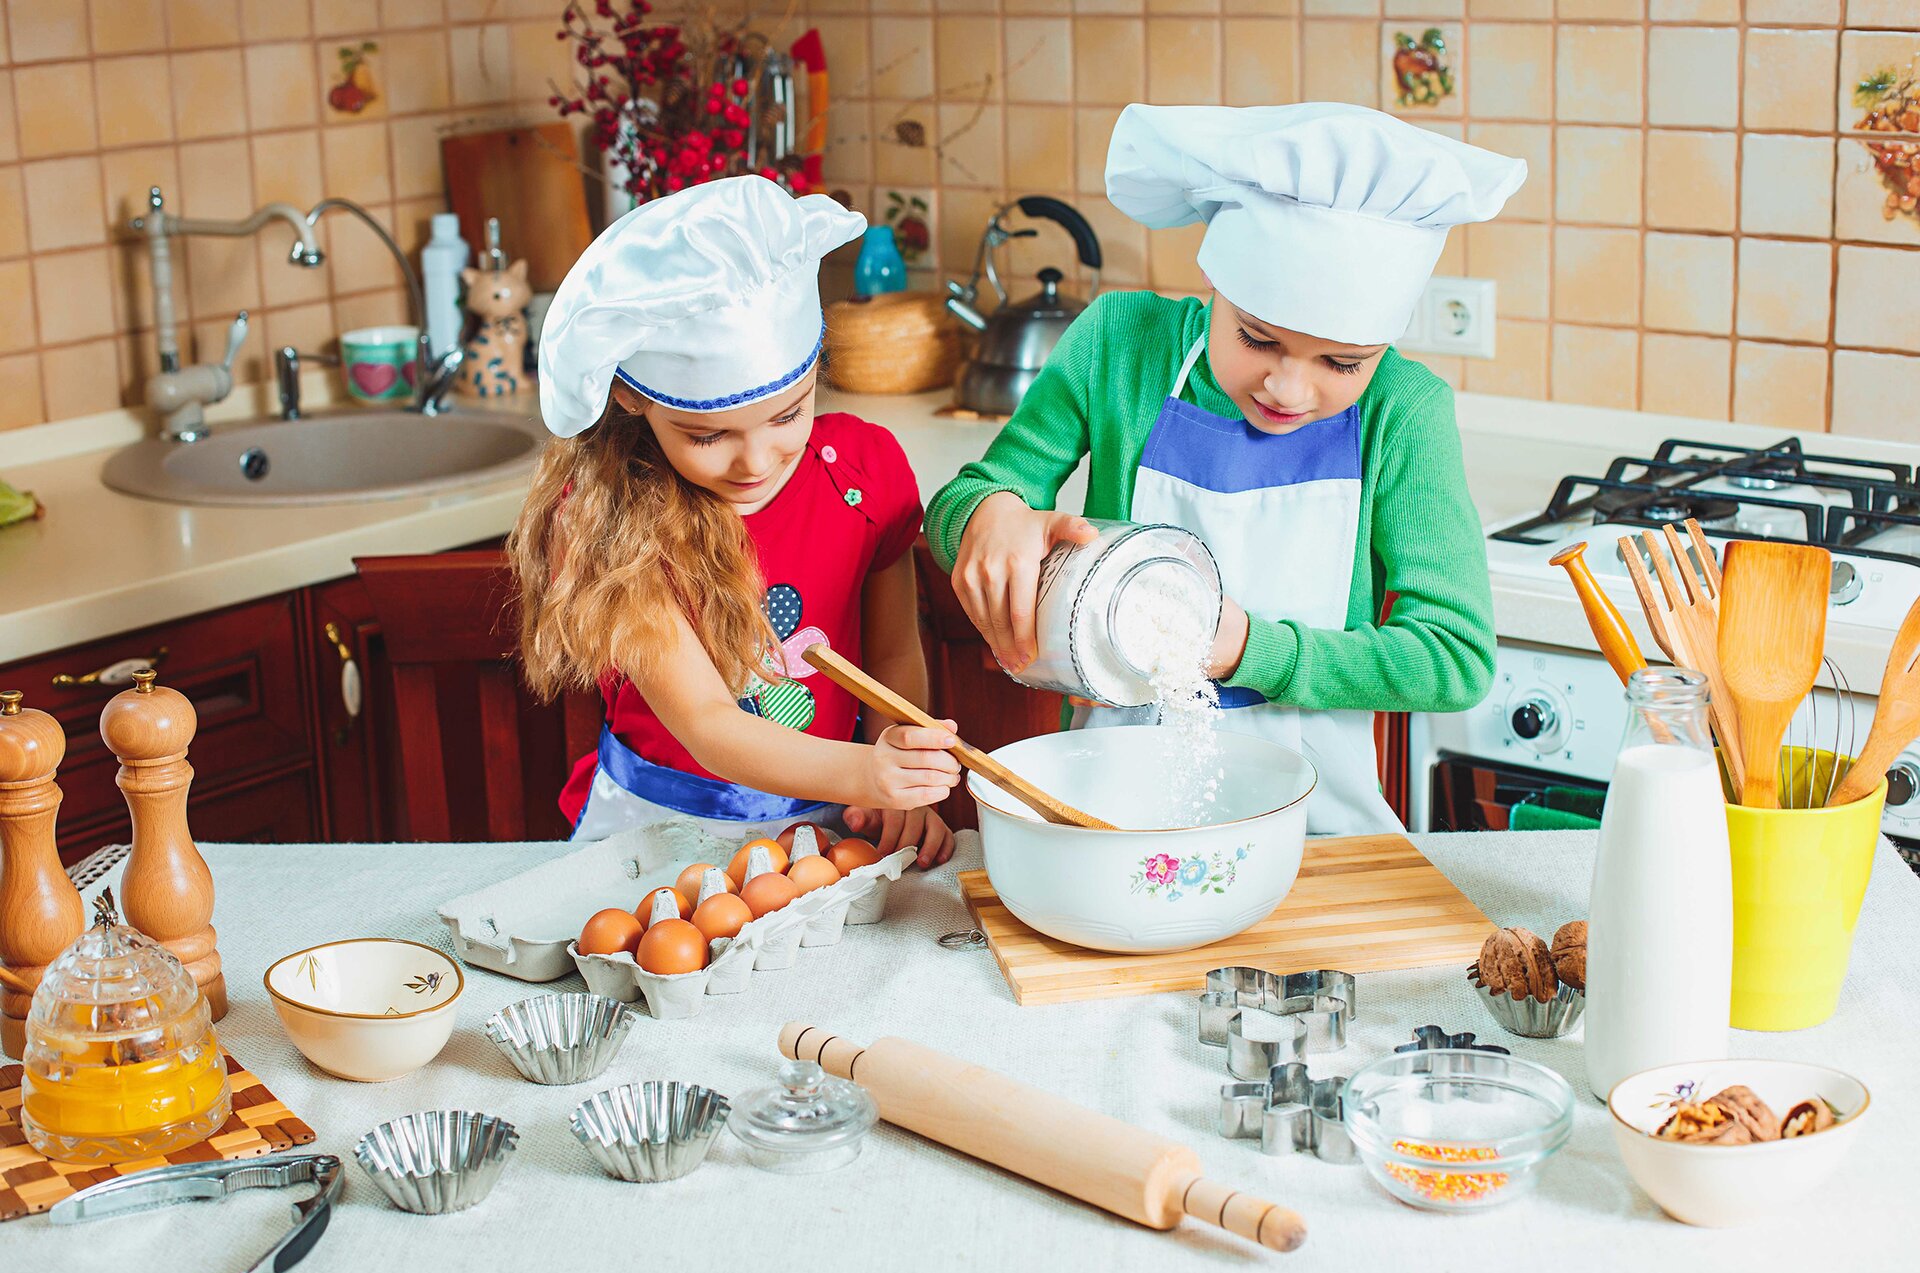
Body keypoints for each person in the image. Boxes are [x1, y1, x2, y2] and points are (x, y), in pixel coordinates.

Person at [925, 104, 1527, 836]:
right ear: (1217, 284)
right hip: (1110, 818)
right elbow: (969, 500)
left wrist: (1249, 648)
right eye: (1257, 338)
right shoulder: (1122, 346)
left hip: (1320, 835)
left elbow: (1454, 659)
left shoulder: (1404, 412)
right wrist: (990, 516)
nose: (1289, 389)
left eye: (1342, 362)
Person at [510, 175, 958, 866]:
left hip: (834, 821)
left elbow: (893, 655)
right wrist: (868, 774)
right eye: (708, 435)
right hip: (659, 831)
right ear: (635, 402)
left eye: (788, 415)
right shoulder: (617, 524)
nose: (755, 461)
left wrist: (902, 777)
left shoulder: (860, 473)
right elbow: (709, 725)